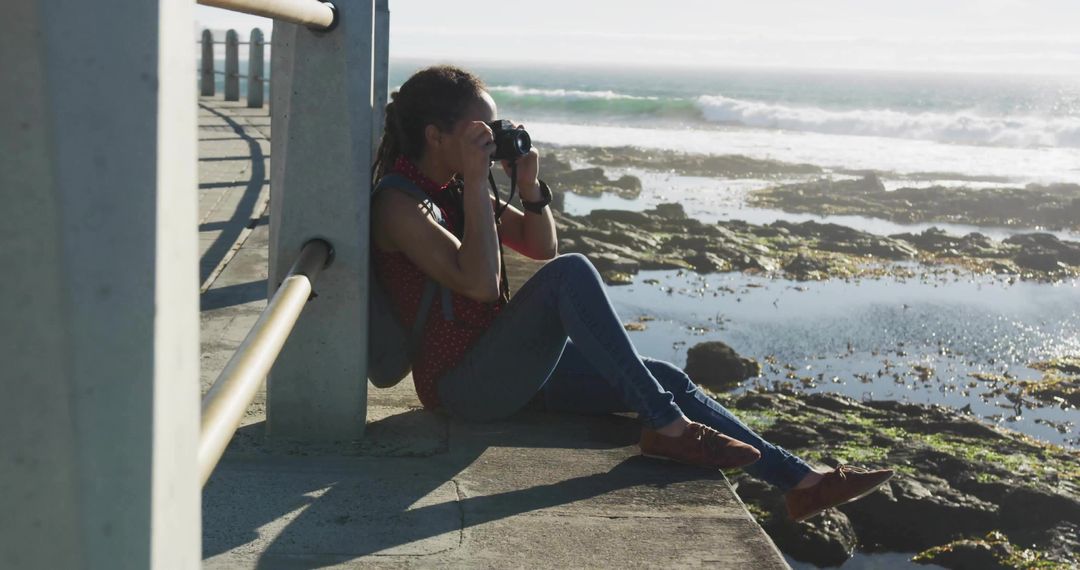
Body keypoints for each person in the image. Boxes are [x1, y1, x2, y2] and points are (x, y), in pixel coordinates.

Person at [371, 65, 892, 522]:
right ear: (437, 136)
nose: (492, 139)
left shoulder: (455, 189)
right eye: (480, 132)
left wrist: (528, 188)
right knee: (574, 275)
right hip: (463, 387)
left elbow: (539, 246)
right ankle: (667, 427)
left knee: (665, 377)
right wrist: (477, 179)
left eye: (495, 129)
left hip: (504, 363)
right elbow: (483, 284)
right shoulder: (400, 203)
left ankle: (802, 484)